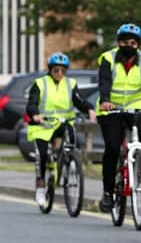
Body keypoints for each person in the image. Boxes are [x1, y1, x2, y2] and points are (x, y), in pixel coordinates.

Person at [26, 52, 96, 207]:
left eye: (63, 70)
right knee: (42, 155)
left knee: (72, 144)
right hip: (43, 125)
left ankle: (70, 163)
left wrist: (89, 109)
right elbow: (32, 103)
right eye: (56, 70)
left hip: (63, 123)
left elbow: (79, 101)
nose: (59, 74)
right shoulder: (40, 83)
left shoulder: (70, 84)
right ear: (50, 70)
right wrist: (35, 114)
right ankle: (40, 187)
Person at [96, 23, 141, 213]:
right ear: (119, 43)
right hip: (111, 108)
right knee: (112, 147)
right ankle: (107, 192)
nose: (130, 45)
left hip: (135, 106)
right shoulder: (108, 58)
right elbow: (104, 81)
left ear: (138, 44)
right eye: (125, 41)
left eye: (133, 42)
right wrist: (105, 100)